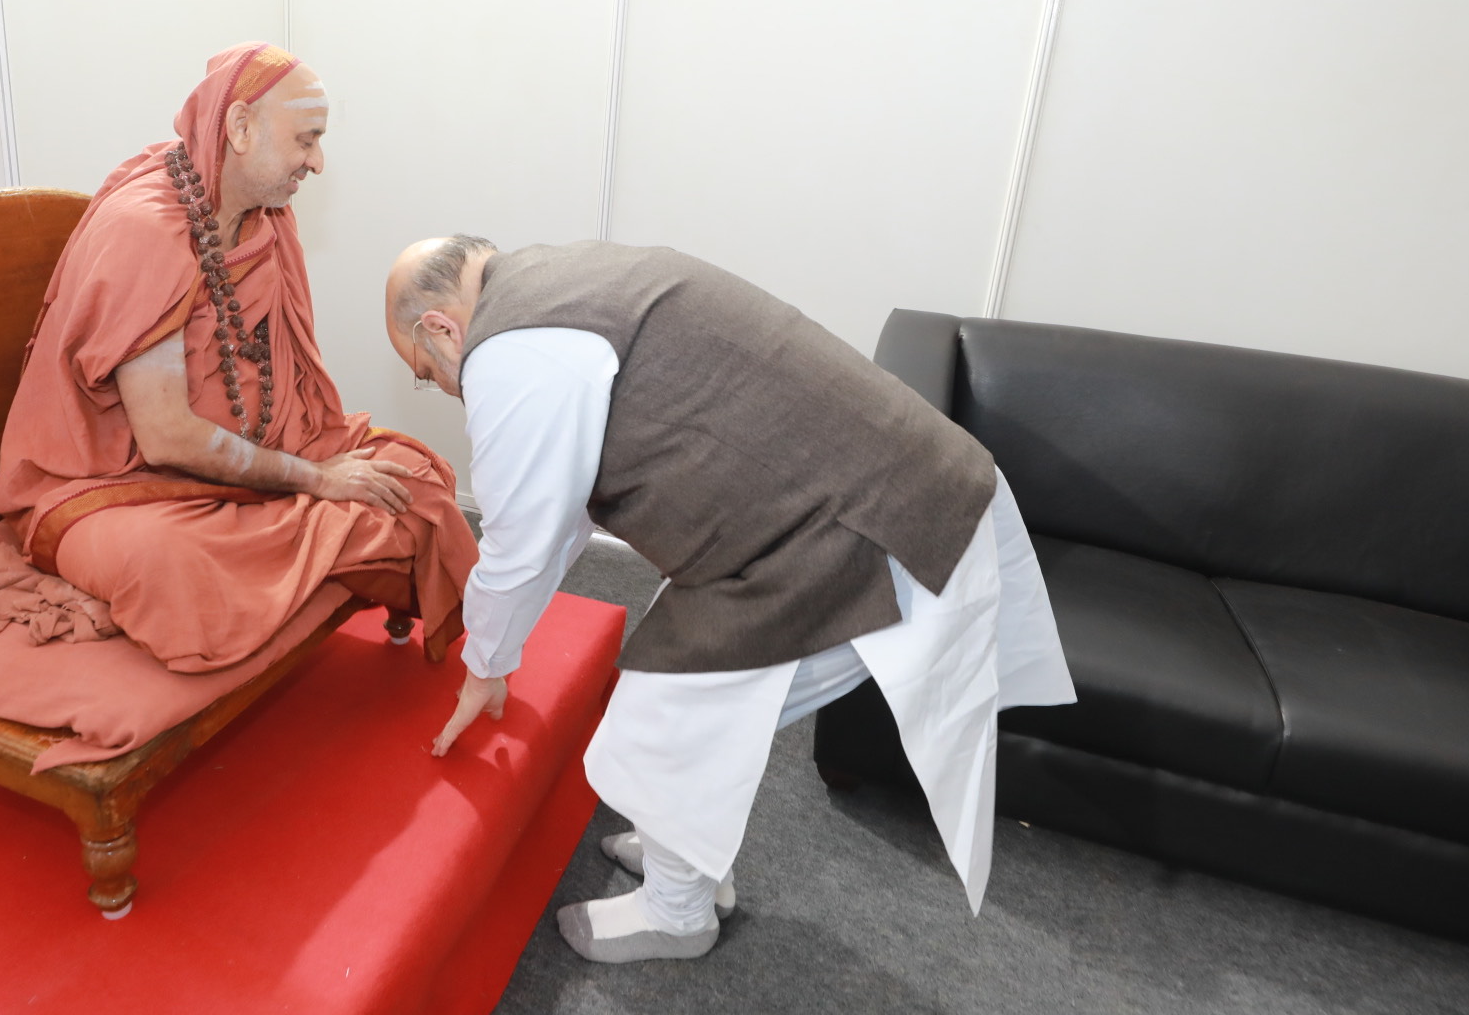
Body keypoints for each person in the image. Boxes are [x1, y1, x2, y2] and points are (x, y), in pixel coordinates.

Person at [384, 235, 1074, 963]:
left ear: (441, 327)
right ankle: (682, 853)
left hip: (871, 533)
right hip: (867, 505)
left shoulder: (507, 349)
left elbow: (522, 535)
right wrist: (500, 650)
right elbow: (563, 513)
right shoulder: (560, 276)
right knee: (677, 677)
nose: (447, 388)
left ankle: (678, 912)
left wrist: (485, 664)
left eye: (431, 374)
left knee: (664, 713)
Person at [0, 43, 476, 674]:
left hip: (252, 448)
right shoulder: (146, 231)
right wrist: (317, 480)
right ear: (241, 127)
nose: (318, 163)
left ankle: (279, 532)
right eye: (306, 141)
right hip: (122, 484)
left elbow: (270, 375)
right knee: (174, 569)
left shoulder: (264, 218)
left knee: (415, 479)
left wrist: (307, 460)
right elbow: (165, 439)